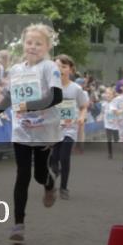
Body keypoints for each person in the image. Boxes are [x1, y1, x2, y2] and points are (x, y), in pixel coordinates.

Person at [0, 24, 63, 245]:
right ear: (23, 44)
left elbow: (55, 97)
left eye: (38, 43)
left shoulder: (49, 67)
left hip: (44, 129)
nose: (33, 47)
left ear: (47, 46)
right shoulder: (16, 70)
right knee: (22, 175)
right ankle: (18, 224)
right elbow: (10, 96)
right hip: (21, 130)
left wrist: (28, 106)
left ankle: (49, 183)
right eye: (29, 42)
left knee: (38, 175)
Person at [50, 54, 89, 199]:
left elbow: (84, 106)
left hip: (70, 128)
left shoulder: (76, 89)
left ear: (70, 70)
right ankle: (55, 169)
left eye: (63, 66)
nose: (59, 69)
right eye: (56, 66)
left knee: (64, 156)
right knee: (54, 159)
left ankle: (64, 188)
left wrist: (81, 116)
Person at [101, 88, 119, 159]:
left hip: (115, 124)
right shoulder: (103, 104)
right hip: (107, 124)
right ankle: (110, 153)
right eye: (106, 93)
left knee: (116, 139)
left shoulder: (116, 103)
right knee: (109, 139)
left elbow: (118, 112)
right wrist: (100, 116)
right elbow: (102, 112)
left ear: (113, 95)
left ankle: (117, 138)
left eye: (110, 94)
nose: (108, 95)